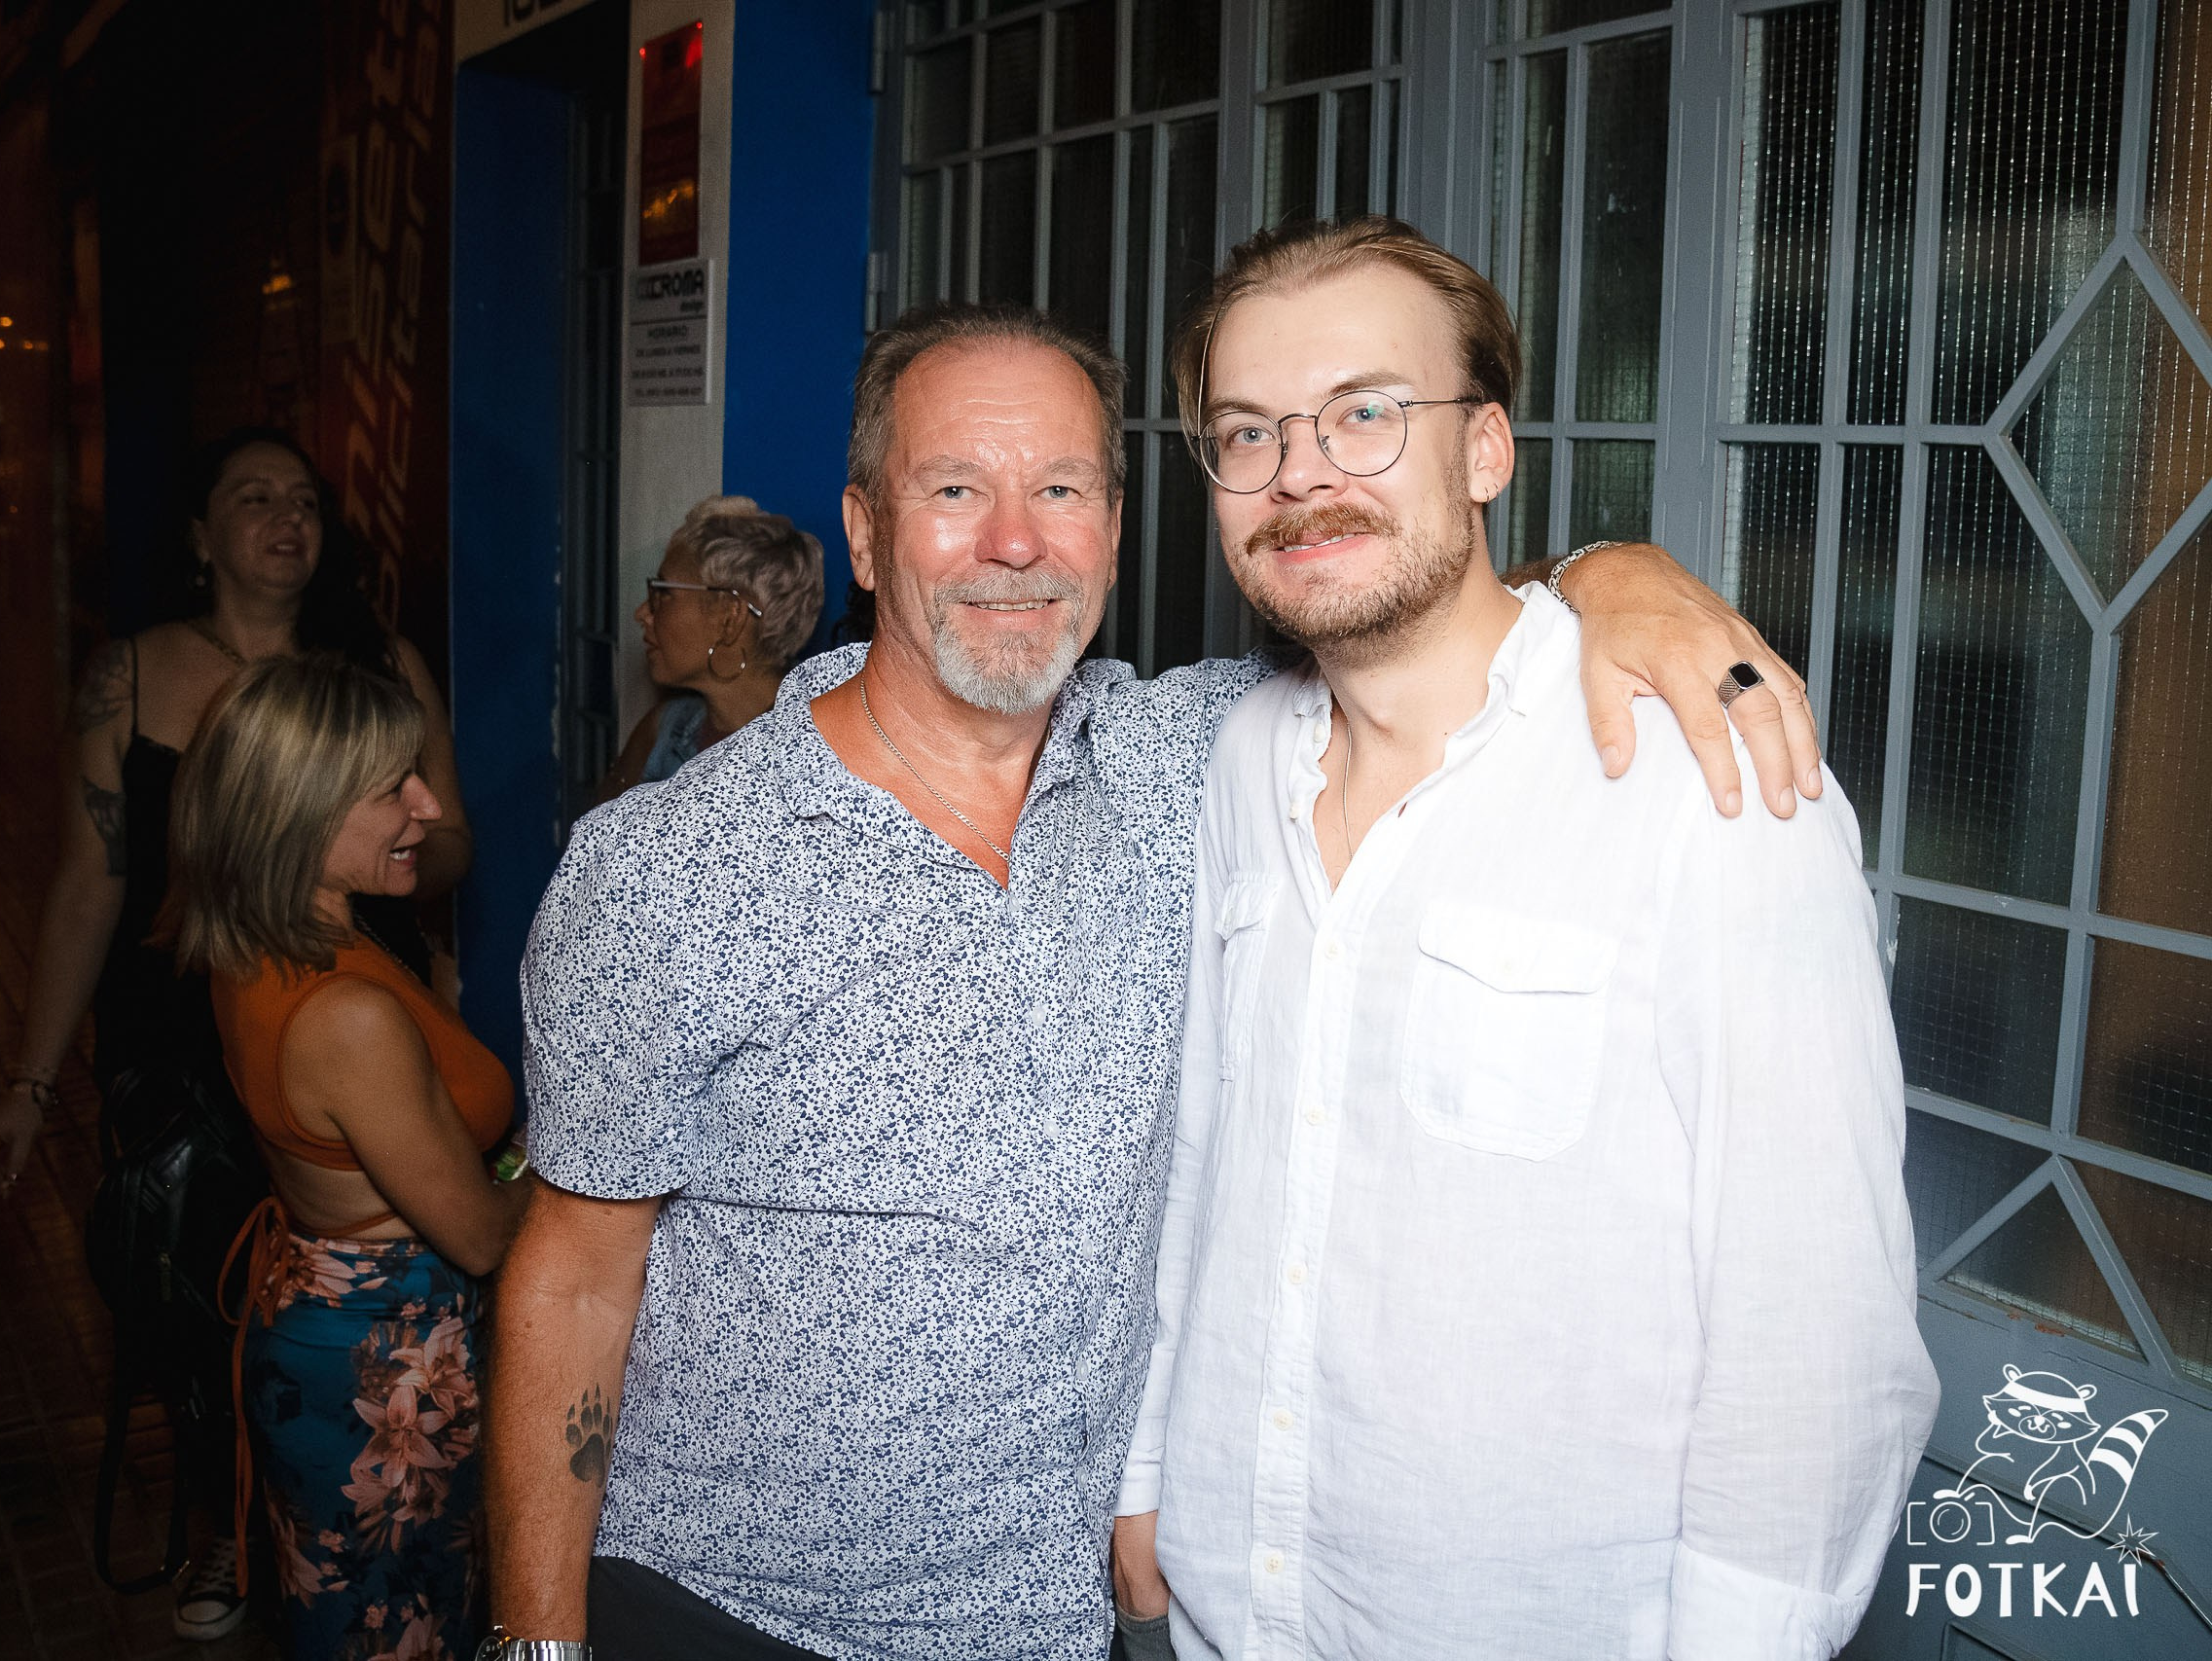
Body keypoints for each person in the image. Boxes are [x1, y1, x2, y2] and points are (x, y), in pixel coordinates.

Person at [486, 300, 1826, 1661]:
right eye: (957, 490)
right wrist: (537, 1643)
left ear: (1114, 531)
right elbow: (575, 1277)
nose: (1016, 540)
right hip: (748, 1615)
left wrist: (1613, 570)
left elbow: (1419, 602)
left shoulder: (1195, 756)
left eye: (1061, 488)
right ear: (869, 534)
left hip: (1093, 1621)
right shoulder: (665, 870)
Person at [1111, 218, 1939, 1660]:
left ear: (1485, 449)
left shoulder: (1708, 780)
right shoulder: (1238, 759)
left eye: (1367, 412)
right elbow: (1208, 1161)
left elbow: (1814, 1324)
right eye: (1249, 432)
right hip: (1237, 1608)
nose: (1303, 471)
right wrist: (1148, 1483)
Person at [0, 428, 474, 1643]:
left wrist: (380, 860)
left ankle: (337, 1527)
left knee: (343, 1278)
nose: (284, 518)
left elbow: (447, 840)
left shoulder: (375, 661)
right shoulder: (132, 678)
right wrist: (32, 1081)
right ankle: (224, 1523)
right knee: (198, 1304)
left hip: (354, 999)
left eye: (303, 498)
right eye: (252, 497)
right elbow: (90, 878)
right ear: (199, 536)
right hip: (188, 1032)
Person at [166, 653, 528, 1661]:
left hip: (325, 1333)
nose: (426, 807)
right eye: (391, 789)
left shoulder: (269, 944)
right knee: (402, 1629)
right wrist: (568, 1152)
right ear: (299, 809)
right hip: (388, 1381)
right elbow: (482, 1234)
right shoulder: (347, 1014)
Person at [594, 494, 826, 801]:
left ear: (729, 617)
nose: (642, 613)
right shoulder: (664, 729)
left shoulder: (816, 745)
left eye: (662, 593)